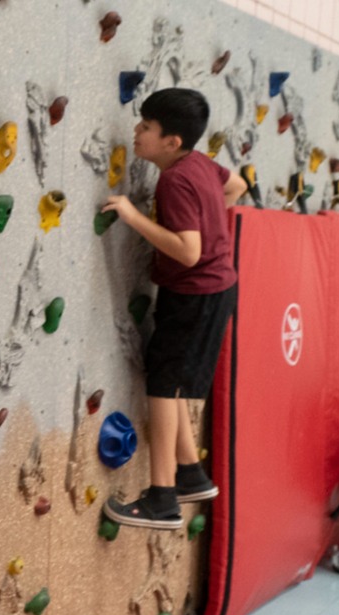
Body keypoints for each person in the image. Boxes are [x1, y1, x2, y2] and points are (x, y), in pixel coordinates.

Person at [101, 88, 248, 530]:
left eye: (146, 127)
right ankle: (189, 473)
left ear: (172, 142)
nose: (136, 131)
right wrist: (207, 220)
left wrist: (132, 216)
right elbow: (237, 185)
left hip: (196, 293)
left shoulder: (176, 179)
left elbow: (188, 251)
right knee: (171, 380)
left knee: (164, 385)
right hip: (211, 291)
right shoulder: (200, 164)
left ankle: (162, 497)